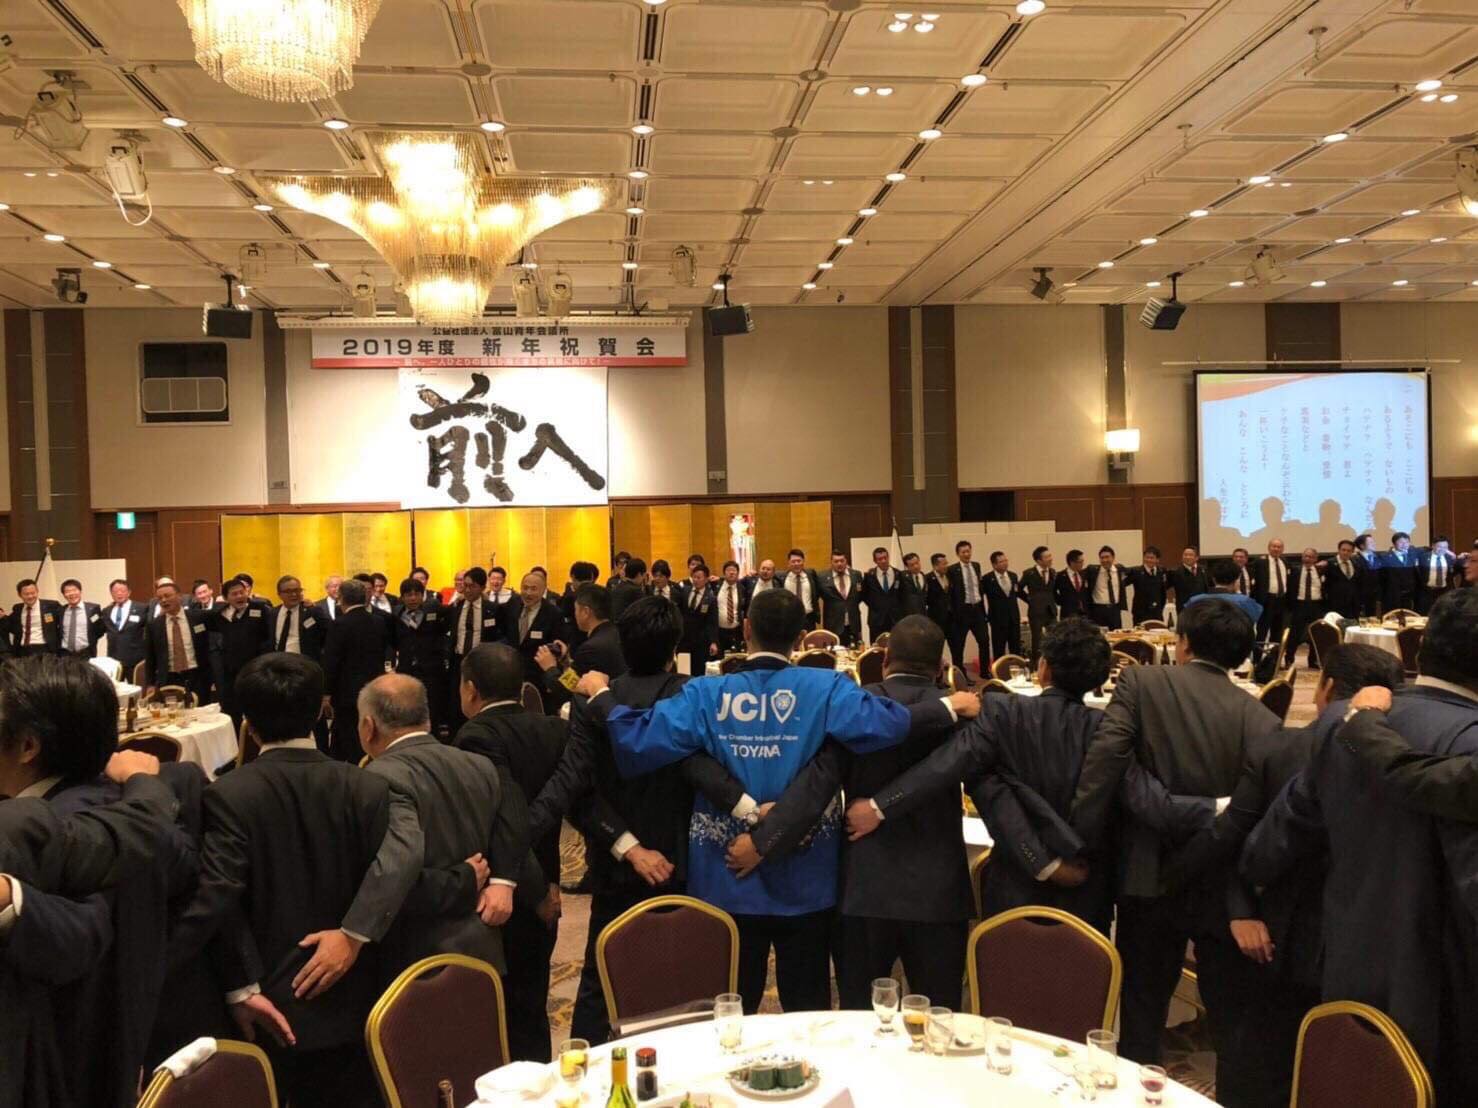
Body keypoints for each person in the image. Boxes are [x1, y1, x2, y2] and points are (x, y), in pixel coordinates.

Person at [580, 589, 979, 1013]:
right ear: (801, 637)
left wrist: (601, 695)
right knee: (808, 1010)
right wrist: (948, 706)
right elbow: (884, 723)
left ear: (746, 629)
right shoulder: (828, 687)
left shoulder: (705, 693)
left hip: (726, 873)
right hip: (806, 875)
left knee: (728, 1011)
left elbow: (638, 738)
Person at [1241, 589, 1478, 1103]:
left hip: (1347, 961)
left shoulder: (1343, 718)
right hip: (1449, 997)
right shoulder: (1469, 739)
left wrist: (1245, 893)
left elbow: (1283, 832)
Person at [1152, 643, 1405, 1108]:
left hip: (1272, 940)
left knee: (1252, 1065)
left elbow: (1234, 836)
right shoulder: (1410, 761)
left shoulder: (1280, 749)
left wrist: (1220, 901)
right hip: (1369, 952)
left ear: (1325, 688)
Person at [168, 652, 419, 1108]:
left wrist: (239, 987)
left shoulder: (226, 794)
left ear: (248, 724)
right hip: (360, 996)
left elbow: (220, 897)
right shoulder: (366, 785)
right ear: (321, 712)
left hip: (270, 1003)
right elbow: (391, 882)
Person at [1072, 600, 1281, 1094]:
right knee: (1229, 1019)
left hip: (1147, 873)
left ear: (1182, 644)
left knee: (1142, 1009)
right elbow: (1253, 817)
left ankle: (1136, 1096)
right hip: (1221, 884)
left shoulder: (1141, 682)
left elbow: (1105, 762)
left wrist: (1083, 841)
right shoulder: (1262, 719)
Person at [525, 596, 749, 1045]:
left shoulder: (593, 699)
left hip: (617, 864)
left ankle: (588, 1070)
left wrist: (627, 846)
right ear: (675, 648)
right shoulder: (696, 696)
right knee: (691, 980)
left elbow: (578, 792)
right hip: (688, 861)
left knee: (601, 982)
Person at [742, 615, 974, 1009]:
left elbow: (816, 785)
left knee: (859, 1020)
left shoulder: (857, 708)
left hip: (864, 888)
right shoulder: (963, 712)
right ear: (941, 668)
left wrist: (763, 842)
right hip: (939, 891)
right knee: (939, 1018)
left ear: (884, 660)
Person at [0, 656, 194, 1108]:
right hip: (131, 1045)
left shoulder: (38, 828)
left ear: (27, 746)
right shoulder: (121, 802)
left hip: (61, 1068)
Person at [845, 617, 1115, 934]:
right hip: (1087, 884)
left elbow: (948, 765)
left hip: (1012, 885)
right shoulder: (1111, 729)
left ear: (1043, 668)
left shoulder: (1002, 712)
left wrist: (878, 807)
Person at [356, 674, 506, 980]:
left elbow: (394, 872)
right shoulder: (479, 765)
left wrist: (351, 935)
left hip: (414, 960)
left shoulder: (377, 777)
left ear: (368, 727)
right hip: (482, 946)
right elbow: (506, 840)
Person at [454, 644, 563, 1062]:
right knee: (532, 1005)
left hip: (507, 893)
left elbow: (507, 818)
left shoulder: (474, 736)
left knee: (501, 1013)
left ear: (470, 689)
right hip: (547, 882)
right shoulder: (553, 729)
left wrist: (533, 890)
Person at [322, 577, 390, 761]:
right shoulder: (378, 621)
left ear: (342, 598)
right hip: (373, 687)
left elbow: (332, 660)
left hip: (346, 691)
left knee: (349, 735)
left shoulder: (339, 624)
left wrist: (326, 693)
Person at [201, 576, 273, 731]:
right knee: (232, 710)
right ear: (226, 598)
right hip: (230, 672)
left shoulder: (260, 610)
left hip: (255, 670)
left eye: (242, 592)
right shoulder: (220, 614)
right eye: (234, 594)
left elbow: (270, 637)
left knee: (258, 709)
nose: (240, 596)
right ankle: (235, 742)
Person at [537, 583, 626, 704]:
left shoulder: (591, 647)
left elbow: (570, 688)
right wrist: (566, 662)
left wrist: (550, 668)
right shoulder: (616, 633)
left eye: (576, 609)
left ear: (585, 612)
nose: (575, 614)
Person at [391, 577, 449, 736]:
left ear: (422, 595)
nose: (413, 598)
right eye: (408, 595)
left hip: (431, 671)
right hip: (406, 671)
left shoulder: (433, 609)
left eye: (417, 594)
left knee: (432, 710)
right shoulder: (395, 615)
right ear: (402, 597)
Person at [143, 580, 214, 706]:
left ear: (179, 596)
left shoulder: (198, 617)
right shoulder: (154, 625)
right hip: (169, 679)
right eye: (160, 598)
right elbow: (150, 657)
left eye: (167, 596)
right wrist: (150, 684)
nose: (163, 600)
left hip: (197, 676)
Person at [506, 571, 570, 694]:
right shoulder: (512, 604)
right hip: (512, 672)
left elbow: (559, 645)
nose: (528, 593)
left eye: (533, 589)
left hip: (538, 677)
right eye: (525, 588)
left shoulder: (554, 613)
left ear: (543, 590)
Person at [946, 541, 989, 677]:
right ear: (958, 554)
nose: (966, 554)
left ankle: (984, 671)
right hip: (962, 612)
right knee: (959, 645)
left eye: (968, 551)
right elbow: (950, 593)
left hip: (977, 610)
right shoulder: (952, 570)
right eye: (963, 552)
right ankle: (960, 674)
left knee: (984, 641)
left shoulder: (976, 566)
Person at [1183, 560, 1264, 625]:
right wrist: (1239, 592)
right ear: (1236, 580)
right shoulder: (1244, 601)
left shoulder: (1194, 600)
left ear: (1213, 579)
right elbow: (1254, 617)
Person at [1286, 547, 1328, 665]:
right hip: (1299, 605)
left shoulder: (1321, 571)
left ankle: (1313, 660)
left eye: (1311, 557)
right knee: (1295, 633)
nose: (1308, 559)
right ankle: (1289, 659)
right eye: (1306, 556)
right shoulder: (1295, 570)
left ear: (1316, 559)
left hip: (1317, 605)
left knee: (1316, 633)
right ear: (1302, 557)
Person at [103, 579, 149, 680]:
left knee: (136, 687)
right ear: (111, 593)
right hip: (114, 660)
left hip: (135, 660)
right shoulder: (106, 611)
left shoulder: (142, 608)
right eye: (115, 591)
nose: (119, 594)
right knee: (115, 687)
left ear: (129, 592)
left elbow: (150, 631)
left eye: (122, 591)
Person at [1252, 538, 1293, 650]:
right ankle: (1257, 658)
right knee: (1262, 632)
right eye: (1274, 546)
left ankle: (1273, 659)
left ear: (1282, 549)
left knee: (1277, 633)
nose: (1276, 549)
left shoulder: (1285, 562)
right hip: (1266, 601)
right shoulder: (1260, 562)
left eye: (1279, 547)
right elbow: (1254, 583)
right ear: (1269, 548)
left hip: (1281, 601)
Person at [819, 550, 864, 648]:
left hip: (853, 625)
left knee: (855, 652)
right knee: (834, 653)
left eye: (842, 561)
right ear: (831, 562)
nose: (839, 564)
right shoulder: (822, 577)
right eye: (836, 561)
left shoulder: (856, 575)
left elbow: (860, 596)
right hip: (833, 625)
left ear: (846, 561)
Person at [1018, 547, 1057, 661]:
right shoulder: (1029, 573)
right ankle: (1036, 664)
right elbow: (1018, 589)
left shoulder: (1053, 572)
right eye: (1047, 557)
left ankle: (1053, 662)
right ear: (1039, 560)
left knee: (1054, 638)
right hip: (1036, 611)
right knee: (1037, 640)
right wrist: (1029, 600)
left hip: (1051, 610)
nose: (1050, 559)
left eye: (1050, 556)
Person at [983, 550, 1023, 660]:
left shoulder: (1013, 576)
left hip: (1013, 618)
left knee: (1015, 647)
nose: (1005, 563)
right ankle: (1000, 669)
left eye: (1006, 560)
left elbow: (1018, 593)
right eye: (1001, 562)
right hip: (997, 619)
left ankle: (1016, 668)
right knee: (999, 648)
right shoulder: (987, 579)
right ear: (994, 564)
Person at [859, 546, 902, 642]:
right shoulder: (869, 576)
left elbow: (902, 595)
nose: (883, 561)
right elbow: (864, 595)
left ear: (888, 557)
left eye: (885, 558)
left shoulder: (898, 574)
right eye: (880, 559)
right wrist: (876, 605)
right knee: (876, 647)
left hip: (895, 618)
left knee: (895, 646)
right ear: (875, 561)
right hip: (876, 620)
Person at [9, 579, 61, 657]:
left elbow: (63, 622)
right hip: (22, 650)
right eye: (26, 594)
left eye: (33, 593)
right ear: (19, 595)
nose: (30, 596)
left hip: (45, 648)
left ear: (37, 591)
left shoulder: (51, 606)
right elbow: (10, 626)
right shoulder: (17, 608)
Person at [1083, 546, 1128, 631]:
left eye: (1107, 557)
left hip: (1115, 610)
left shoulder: (1120, 570)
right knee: (1099, 635)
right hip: (1098, 610)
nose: (1104, 560)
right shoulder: (1092, 570)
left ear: (1113, 557)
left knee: (1116, 633)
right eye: (1102, 558)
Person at [57, 578, 102, 658]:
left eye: (74, 590)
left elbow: (100, 629)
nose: (71, 594)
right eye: (67, 591)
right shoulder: (60, 611)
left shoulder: (93, 609)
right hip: (65, 654)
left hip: (86, 653)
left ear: (80, 591)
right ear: (64, 595)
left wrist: (92, 640)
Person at [1323, 538, 1366, 620]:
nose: (1345, 553)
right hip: (1335, 606)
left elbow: (1359, 584)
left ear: (1352, 552)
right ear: (1339, 550)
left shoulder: (1356, 564)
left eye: (1349, 551)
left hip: (1353, 607)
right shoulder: (1329, 564)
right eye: (1343, 550)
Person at [713, 561, 747, 656]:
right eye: (728, 570)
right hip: (719, 631)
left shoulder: (742, 589)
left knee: (736, 658)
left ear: (738, 573)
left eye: (734, 570)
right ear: (724, 573)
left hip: (736, 631)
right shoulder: (715, 586)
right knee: (718, 659)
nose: (731, 573)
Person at [1126, 547, 1166, 626]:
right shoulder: (1136, 572)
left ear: (1157, 560)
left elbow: (1162, 591)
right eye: (1147, 557)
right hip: (1140, 612)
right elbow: (1122, 583)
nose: (1149, 560)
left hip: (1157, 612)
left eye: (1152, 558)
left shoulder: (1161, 571)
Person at [1380, 530, 1419, 613]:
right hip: (1392, 594)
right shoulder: (1385, 557)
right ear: (1394, 544)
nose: (1404, 545)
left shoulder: (1413, 554)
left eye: (1407, 542)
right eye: (1401, 542)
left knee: (1408, 615)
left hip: (1409, 594)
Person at [783, 549, 821, 631]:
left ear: (803, 561)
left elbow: (817, 593)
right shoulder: (782, 578)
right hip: (790, 619)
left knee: (810, 639)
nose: (796, 564)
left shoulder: (811, 575)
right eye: (793, 561)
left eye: (799, 561)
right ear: (789, 563)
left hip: (808, 619)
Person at [1417, 535, 1457, 614]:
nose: (1442, 549)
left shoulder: (1450, 558)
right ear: (1433, 546)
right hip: (1427, 593)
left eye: (1445, 547)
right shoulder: (1423, 557)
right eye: (1439, 546)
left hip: (1444, 592)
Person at [1054, 548, 1090, 619]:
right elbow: (1053, 592)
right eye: (1080, 562)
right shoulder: (1060, 576)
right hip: (1068, 613)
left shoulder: (1084, 574)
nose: (1082, 564)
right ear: (1072, 562)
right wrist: (1062, 602)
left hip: (1084, 613)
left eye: (1083, 561)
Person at [1354, 533, 1383, 616]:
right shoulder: (1354, 559)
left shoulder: (1379, 557)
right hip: (1361, 596)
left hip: (1377, 596)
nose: (1374, 544)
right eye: (1370, 542)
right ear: (1362, 546)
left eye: (1373, 541)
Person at [925, 552, 952, 636]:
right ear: (935, 566)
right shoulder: (927, 579)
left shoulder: (950, 575)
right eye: (944, 564)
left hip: (952, 618)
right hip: (936, 619)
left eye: (946, 563)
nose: (946, 566)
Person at [898, 552, 930, 619]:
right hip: (909, 615)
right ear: (907, 567)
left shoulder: (923, 575)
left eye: (917, 563)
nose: (916, 566)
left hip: (923, 613)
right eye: (912, 565)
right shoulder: (902, 576)